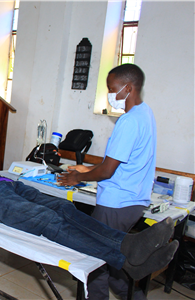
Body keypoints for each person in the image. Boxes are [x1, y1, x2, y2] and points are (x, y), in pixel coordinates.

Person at [0, 160, 178, 282]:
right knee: (48, 220)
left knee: (64, 207)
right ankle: (125, 261)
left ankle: (128, 244)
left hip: (7, 184)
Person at [58, 64, 156, 300]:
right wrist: (88, 168)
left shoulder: (129, 121)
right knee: (113, 265)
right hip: (133, 200)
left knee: (94, 265)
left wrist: (77, 177)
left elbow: (108, 171)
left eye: (112, 89)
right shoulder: (146, 113)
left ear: (128, 88)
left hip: (116, 203)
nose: (110, 94)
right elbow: (123, 162)